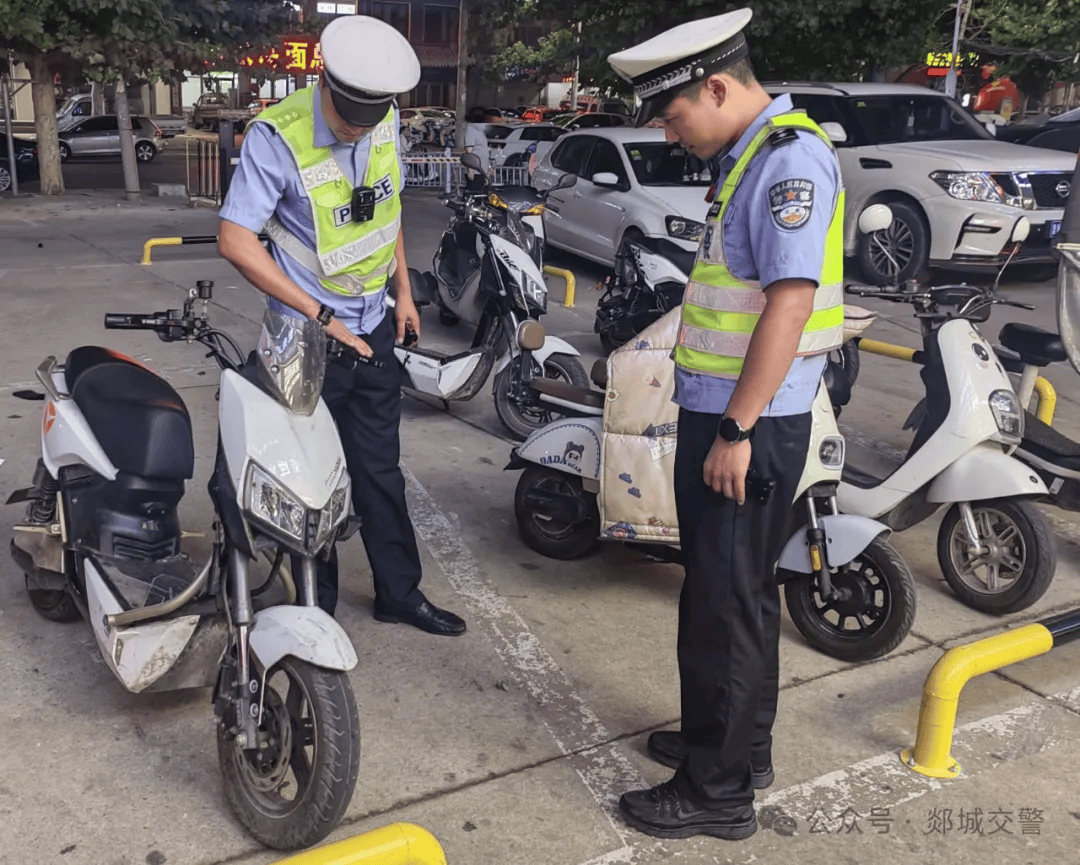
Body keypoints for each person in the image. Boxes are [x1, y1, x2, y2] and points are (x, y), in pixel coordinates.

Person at [607, 8, 844, 840]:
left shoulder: (789, 166)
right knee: (732, 594)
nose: (672, 135)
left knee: (724, 603)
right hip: (732, 420)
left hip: (748, 428)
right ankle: (739, 747)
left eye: (674, 117)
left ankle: (716, 789)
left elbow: (790, 301)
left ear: (716, 86)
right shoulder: (752, 160)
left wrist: (737, 430)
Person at [217, 15, 467, 637]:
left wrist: (404, 292)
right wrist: (318, 315)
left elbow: (386, 212)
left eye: (369, 118)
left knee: (380, 468)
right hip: (306, 337)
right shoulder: (278, 136)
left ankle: (399, 593)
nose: (357, 130)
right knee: (308, 473)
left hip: (373, 326)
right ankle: (314, 606)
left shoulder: (382, 124)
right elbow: (235, 239)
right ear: (323, 82)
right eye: (347, 118)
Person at [463, 107, 490, 192]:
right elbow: (469, 150)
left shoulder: (480, 130)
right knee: (475, 194)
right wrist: (471, 170)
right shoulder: (471, 130)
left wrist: (488, 167)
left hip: (482, 169)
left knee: (481, 195)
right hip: (476, 170)